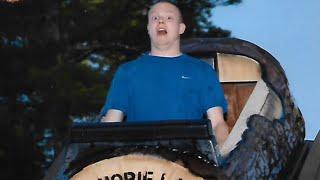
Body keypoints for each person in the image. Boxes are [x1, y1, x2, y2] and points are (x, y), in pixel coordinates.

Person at [100, 1, 229, 147]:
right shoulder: (127, 72)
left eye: (169, 18)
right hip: (137, 162)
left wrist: (223, 159)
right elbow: (111, 122)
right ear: (149, 28)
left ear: (181, 28)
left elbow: (218, 123)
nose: (161, 21)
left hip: (189, 162)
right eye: (155, 18)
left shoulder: (203, 71)